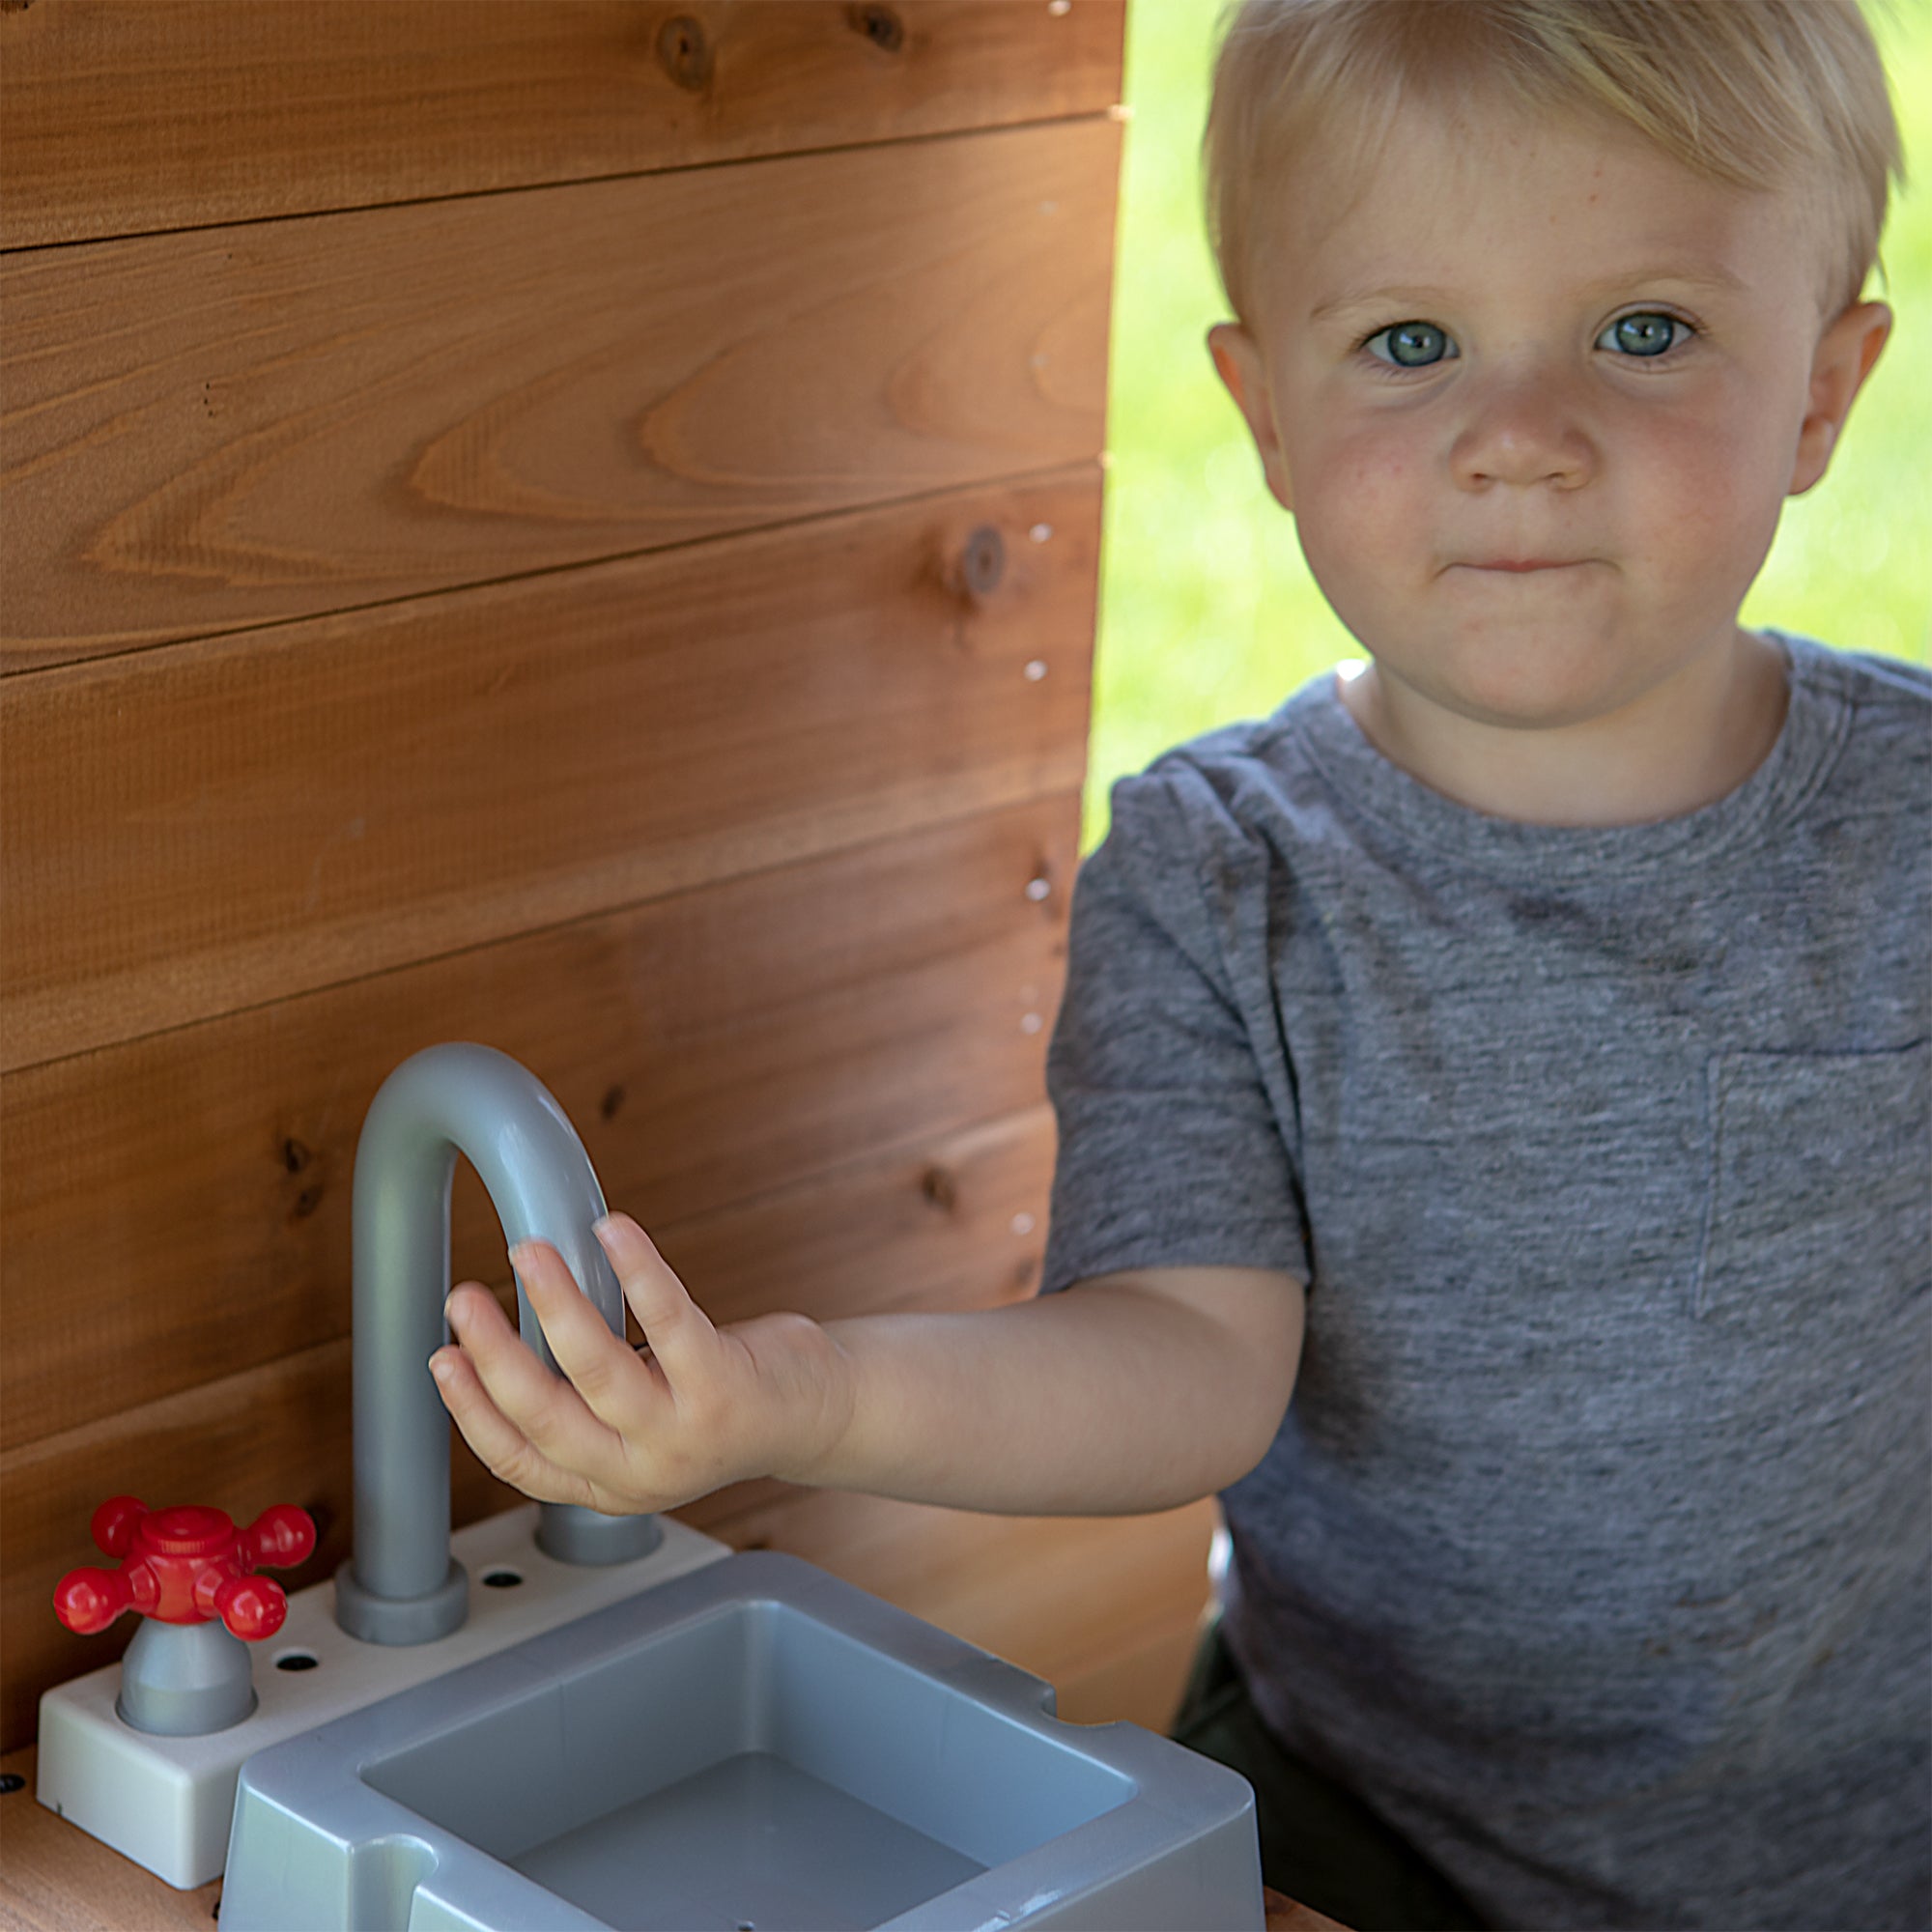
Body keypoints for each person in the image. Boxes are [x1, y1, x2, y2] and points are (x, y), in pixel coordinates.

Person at [426, 2, 1930, 1924]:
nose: (1520, 440)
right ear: (1268, 418)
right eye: (1409, 342)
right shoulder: (1228, 877)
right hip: (1366, 1817)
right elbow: (1187, 1361)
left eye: (1644, 330)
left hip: (1878, 1815)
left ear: (1819, 390)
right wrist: (797, 1393)